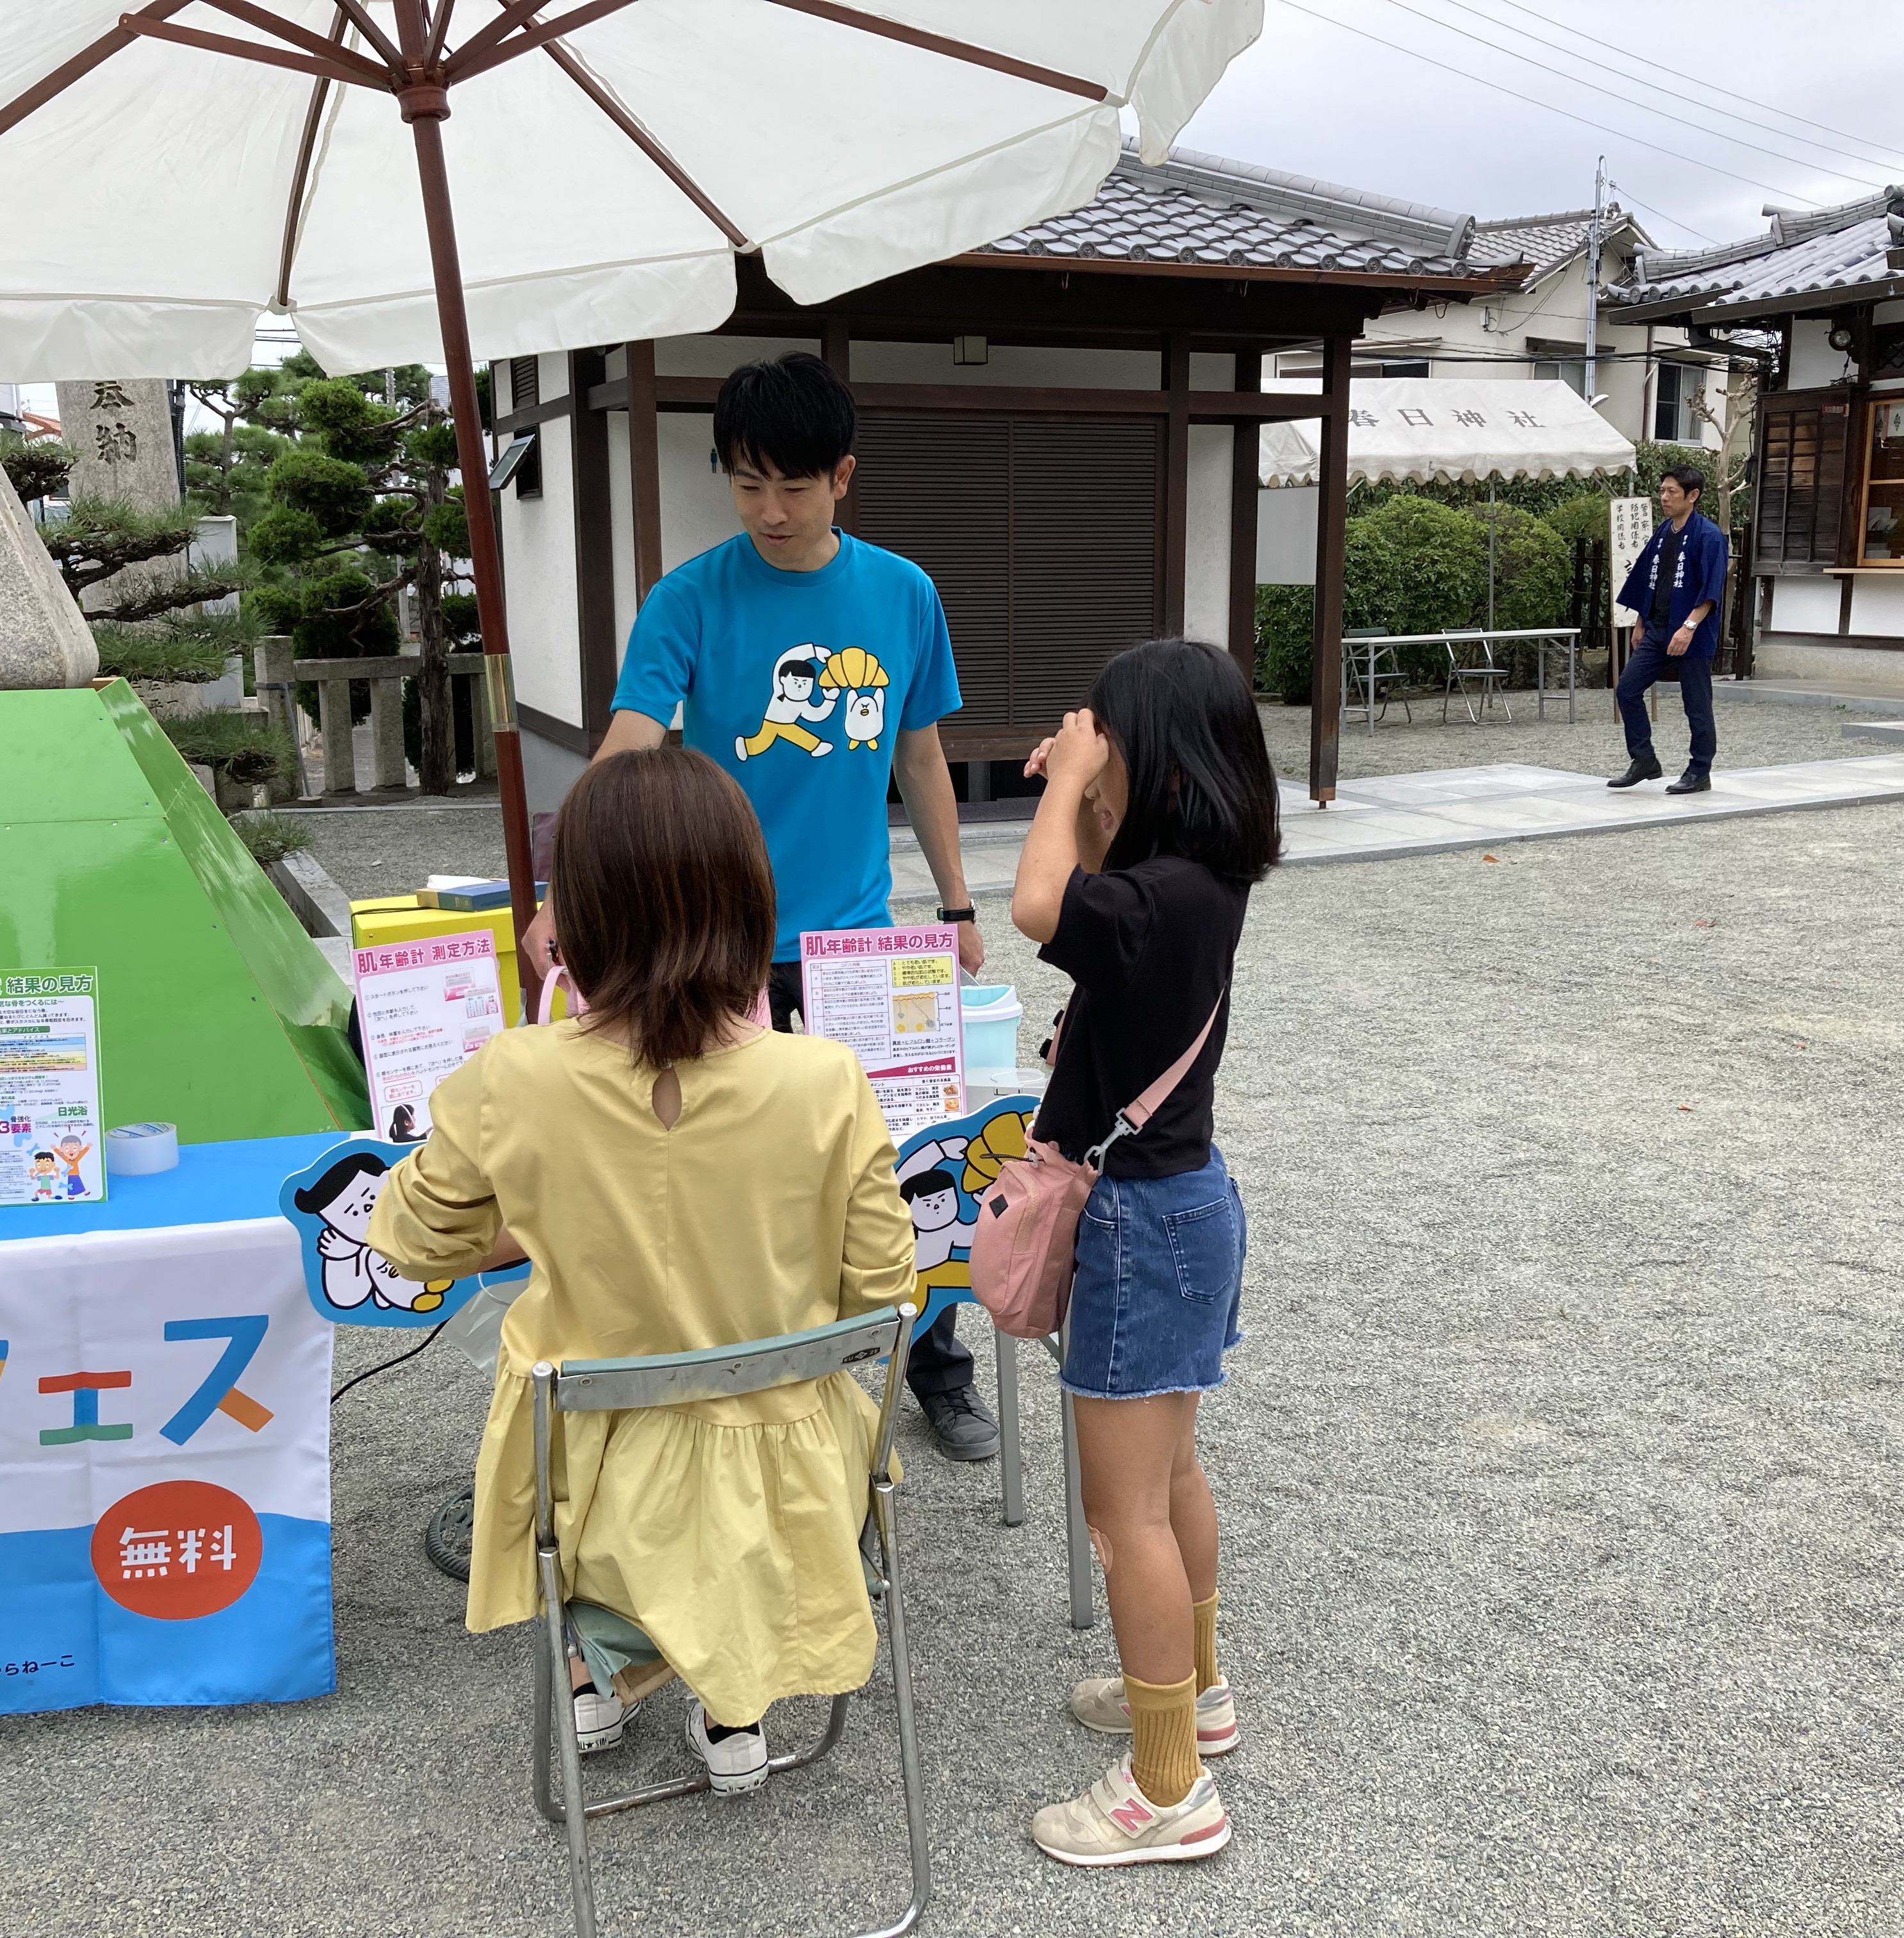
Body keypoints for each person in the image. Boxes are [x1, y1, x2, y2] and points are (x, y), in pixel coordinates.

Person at [368, 749, 916, 1797]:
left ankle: (595, 1671)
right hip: (789, 1466)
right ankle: (736, 1704)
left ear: (575, 915)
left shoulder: (511, 1078)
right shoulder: (824, 1080)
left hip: (587, 1472)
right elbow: (881, 1287)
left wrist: (543, 1212)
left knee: (614, 1485)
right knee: (727, 1457)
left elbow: (416, 1242)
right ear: (748, 899)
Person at [517, 352, 1000, 1464]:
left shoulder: (902, 593)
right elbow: (630, 746)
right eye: (745, 484)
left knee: (895, 1160)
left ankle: (933, 1361)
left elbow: (919, 759)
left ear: (842, 477)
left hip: (861, 941)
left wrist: (959, 902)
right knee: (726, 1162)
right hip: (714, 942)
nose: (769, 511)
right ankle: (772, 1360)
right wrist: (563, 888)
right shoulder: (689, 596)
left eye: (791, 485)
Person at [1008, 638, 1280, 1868]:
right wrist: (1085, 792)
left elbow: (1035, 904)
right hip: (1187, 1203)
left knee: (1124, 1519)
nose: (1088, 753)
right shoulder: (1192, 881)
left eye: (1109, 738)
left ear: (1151, 756)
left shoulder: (1152, 898)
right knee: (1169, 1479)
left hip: (1137, 1222)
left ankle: (1166, 1789)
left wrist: (1063, 789)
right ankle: (1195, 1692)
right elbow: (1085, 894)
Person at [1609, 464, 1730, 796]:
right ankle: (1644, 759)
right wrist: (1640, 621)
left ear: (1693, 496)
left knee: (1697, 705)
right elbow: (1648, 580)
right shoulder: (1663, 532)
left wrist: (1688, 628)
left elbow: (1711, 589)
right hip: (1658, 628)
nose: (1664, 497)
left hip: (1692, 632)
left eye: (1671, 492)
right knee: (1627, 690)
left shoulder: (1709, 536)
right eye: (1662, 490)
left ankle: (1700, 770)